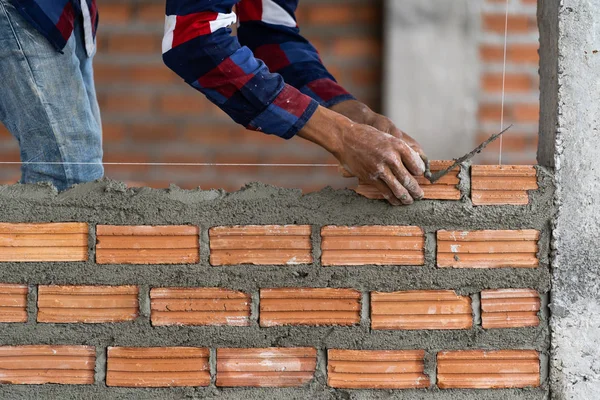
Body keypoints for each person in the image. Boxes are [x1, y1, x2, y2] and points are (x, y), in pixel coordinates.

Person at [0, 0, 427, 205]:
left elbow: (269, 33)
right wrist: (340, 136)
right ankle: (45, 365)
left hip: (63, 12)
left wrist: (353, 113)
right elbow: (196, 41)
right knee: (67, 184)